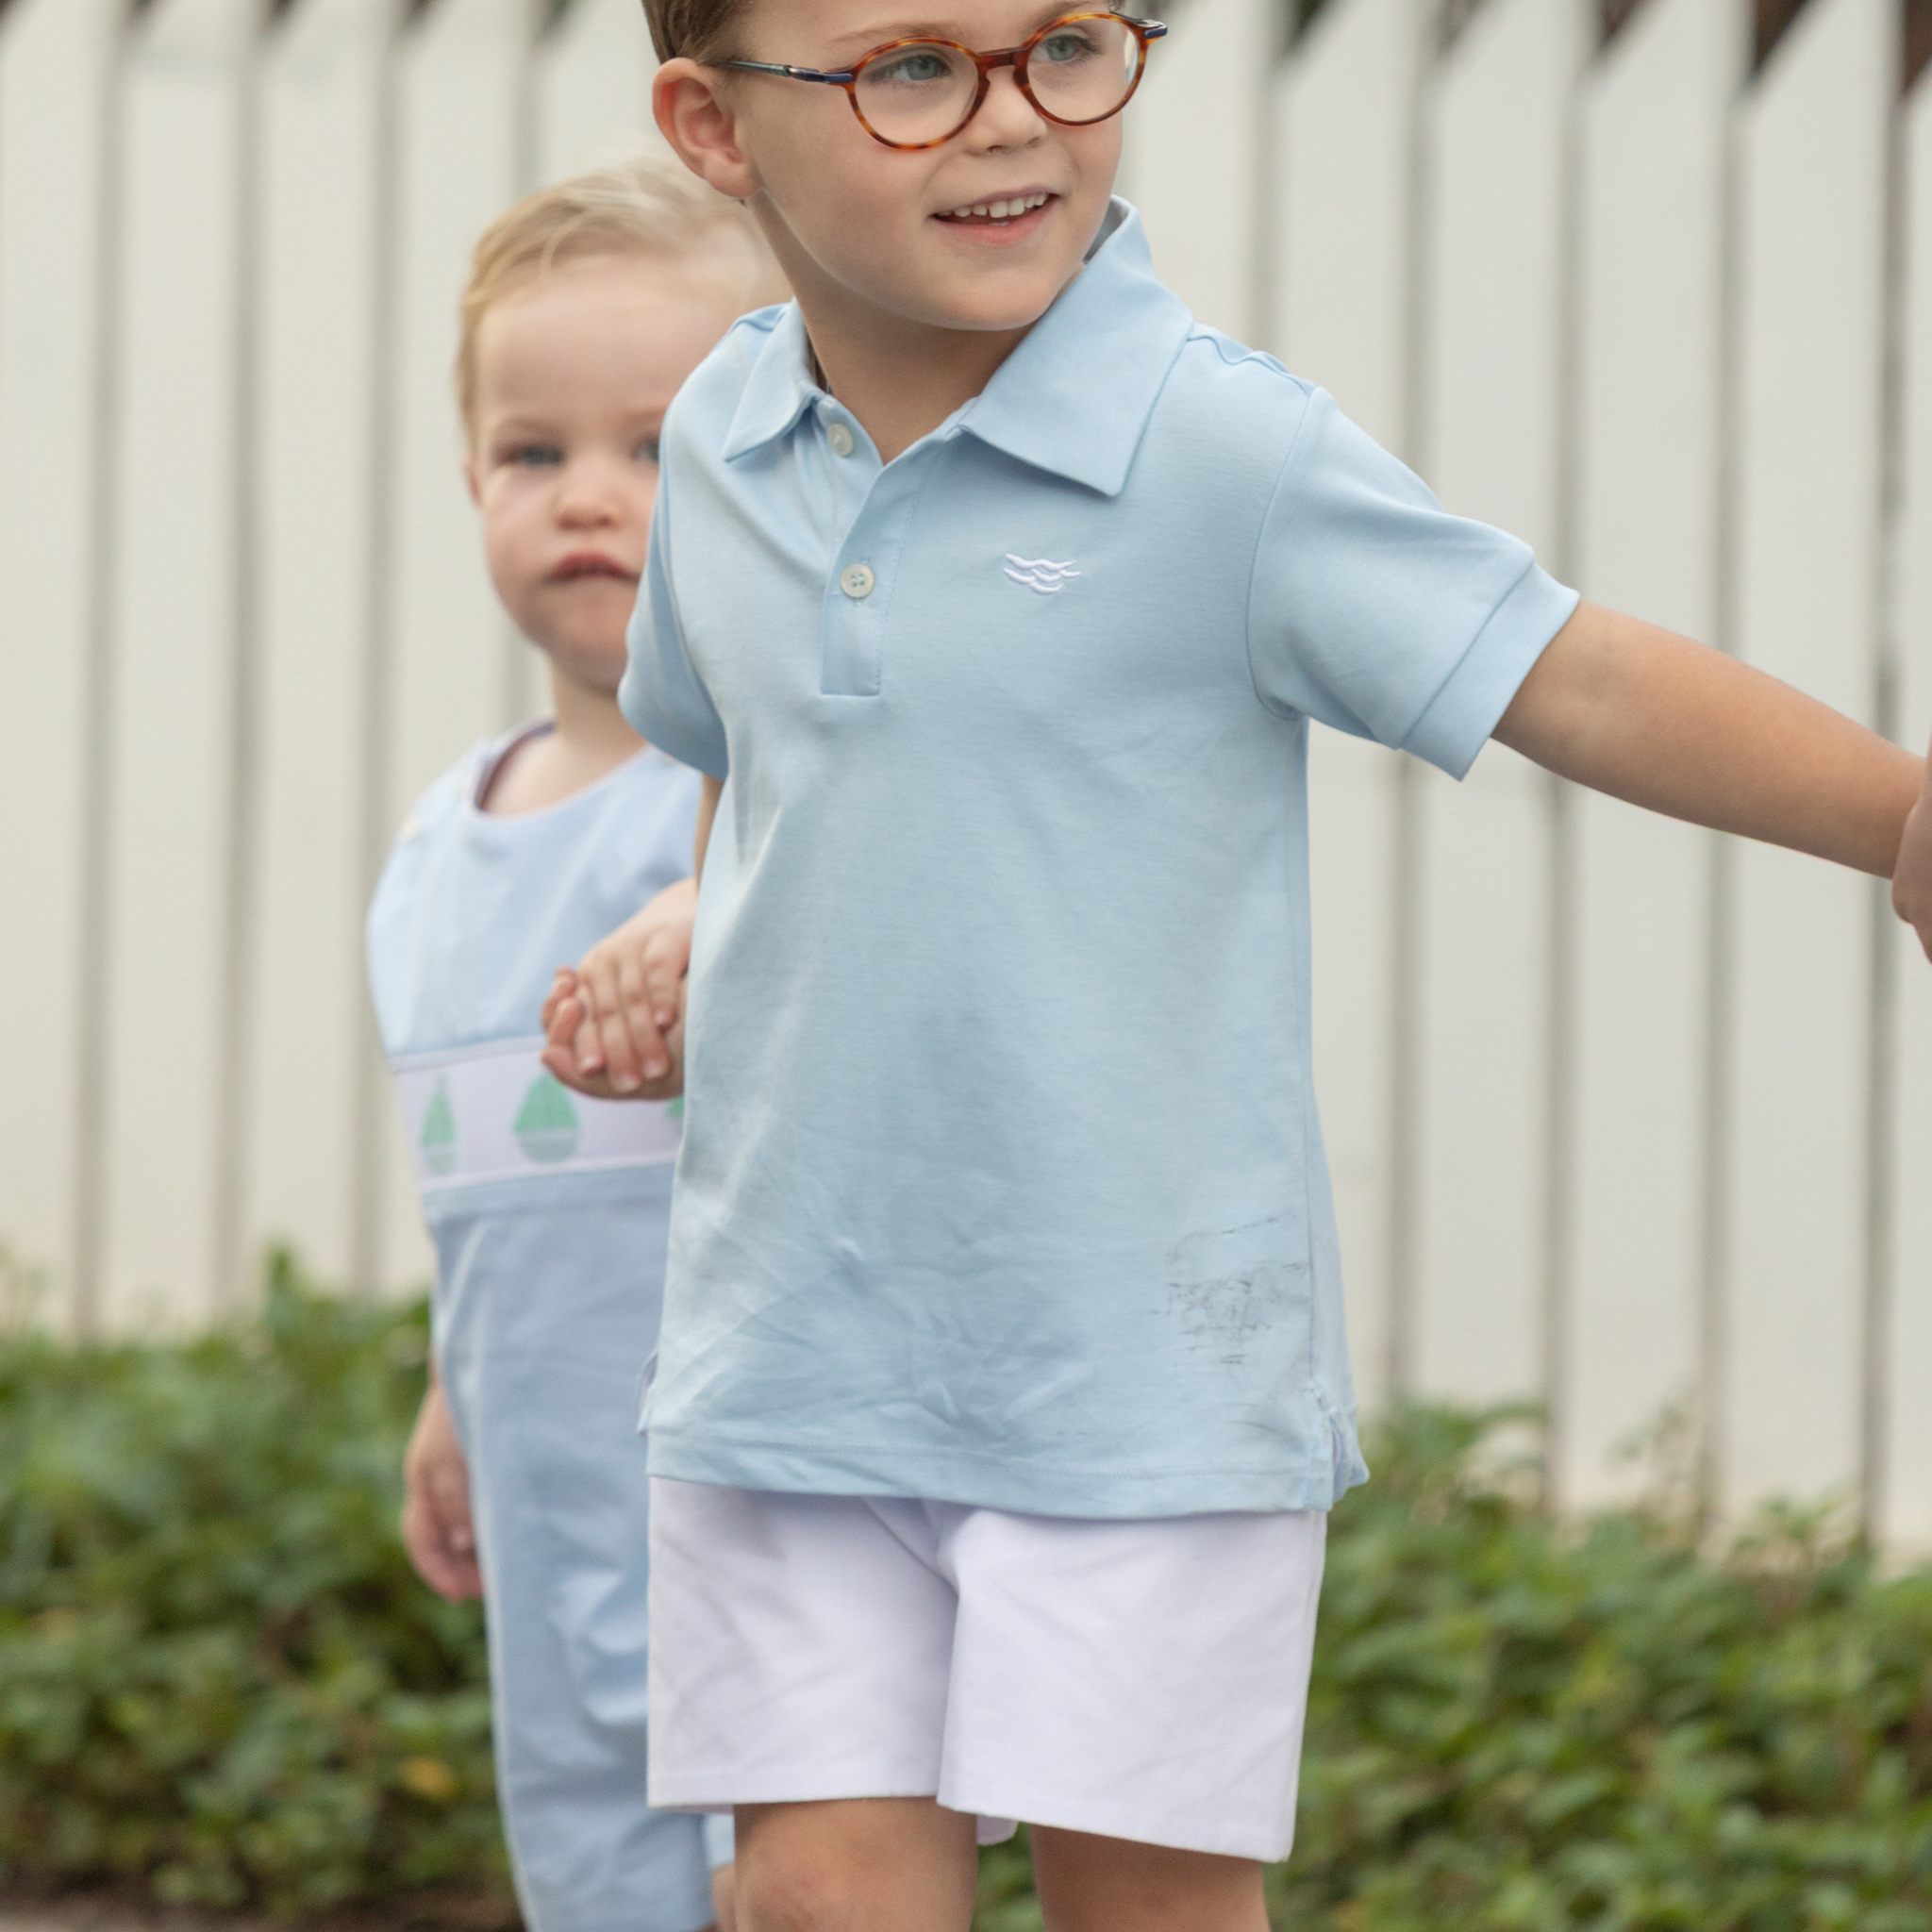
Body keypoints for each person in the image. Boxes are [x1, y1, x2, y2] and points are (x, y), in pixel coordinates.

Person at [539, 8, 1932, 1929]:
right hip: (792, 1348)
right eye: (914, 67)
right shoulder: (719, 434)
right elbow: (764, 771)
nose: (1011, 119)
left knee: (1148, 1908)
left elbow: (1574, 672)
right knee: (810, 1895)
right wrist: (698, 924)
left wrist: (1899, 816)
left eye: (1067, 44)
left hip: (1137, 1378)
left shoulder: (1218, 448)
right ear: (713, 126)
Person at [367, 152, 781, 1932]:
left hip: (757, 1518)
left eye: (655, 446)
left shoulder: (752, 801)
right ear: (472, 481)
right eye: (536, 455)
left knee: (783, 1875)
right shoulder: (435, 852)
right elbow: (484, 1197)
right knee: (592, 1877)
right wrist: (456, 1397)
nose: (590, 498)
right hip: (548, 1524)